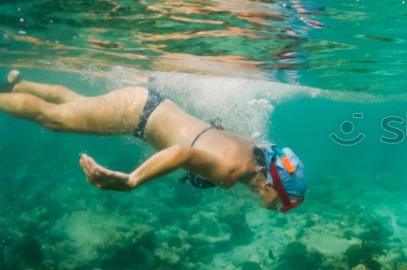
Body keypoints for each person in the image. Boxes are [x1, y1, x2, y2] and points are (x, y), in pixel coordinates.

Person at [0, 70, 306, 211]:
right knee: (54, 119)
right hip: (137, 115)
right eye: (284, 203)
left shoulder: (251, 150)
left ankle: (20, 84)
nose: (280, 208)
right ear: (269, 185)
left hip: (150, 105)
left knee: (75, 105)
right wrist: (133, 179)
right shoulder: (230, 174)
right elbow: (182, 153)